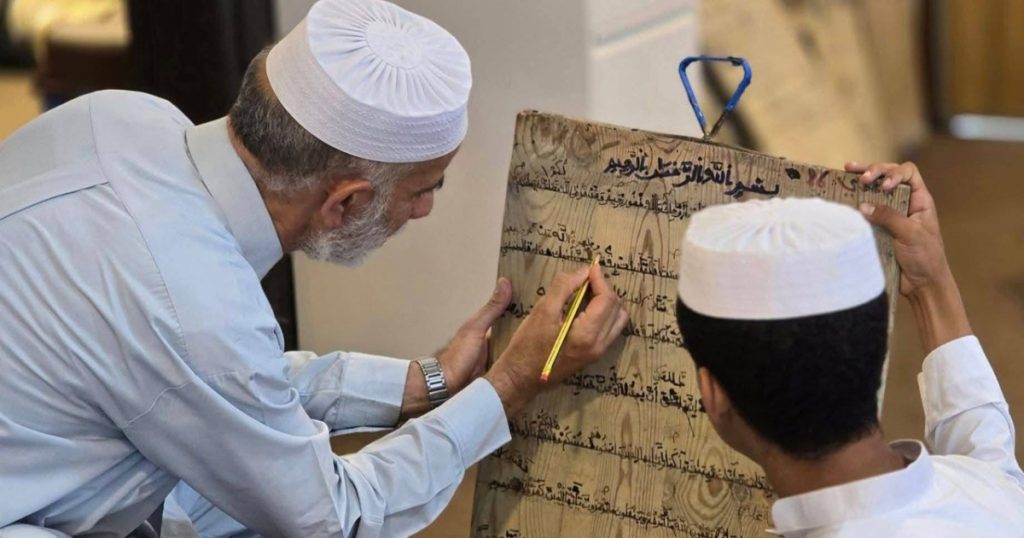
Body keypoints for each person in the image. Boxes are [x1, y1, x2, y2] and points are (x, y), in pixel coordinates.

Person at [0, 0, 629, 536]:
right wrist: (514, 381)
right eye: (424, 189)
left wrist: (427, 382)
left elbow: (226, 383)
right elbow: (334, 517)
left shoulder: (120, 114)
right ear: (345, 203)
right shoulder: (195, 310)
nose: (426, 210)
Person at [673, 161, 1024, 536]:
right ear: (872, 348)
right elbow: (992, 471)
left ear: (714, 395)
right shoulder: (998, 497)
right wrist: (930, 285)